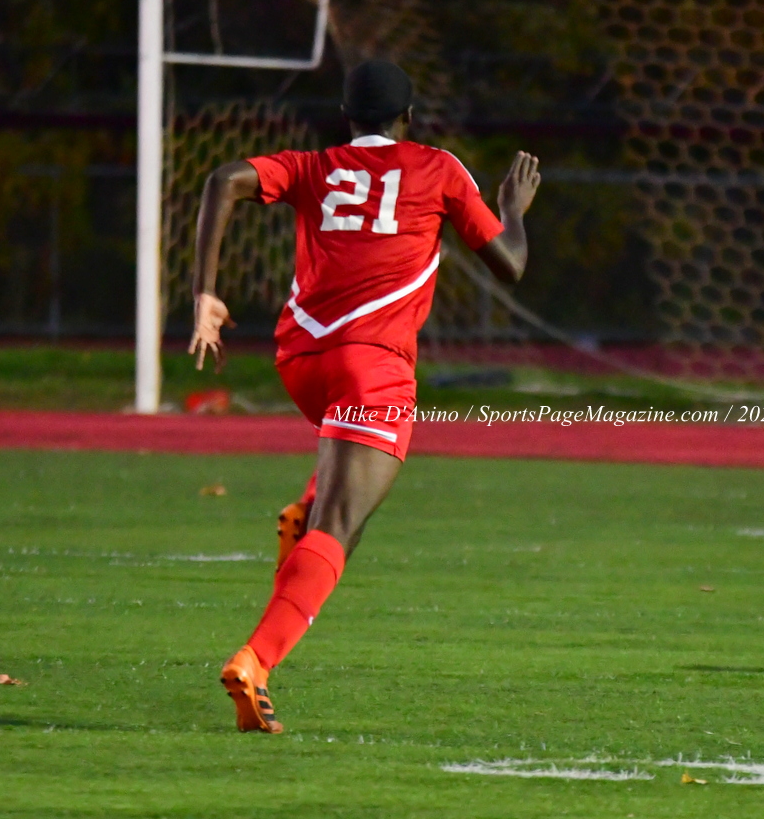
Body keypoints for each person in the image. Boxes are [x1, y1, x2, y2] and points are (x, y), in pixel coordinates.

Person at [187, 59, 541, 733]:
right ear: (409, 117)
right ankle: (256, 660)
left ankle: (309, 503)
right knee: (340, 527)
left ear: (346, 117)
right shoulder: (437, 167)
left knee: (335, 493)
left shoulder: (314, 166)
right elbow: (511, 264)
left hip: (302, 362)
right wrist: (513, 212)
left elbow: (222, 179)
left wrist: (205, 294)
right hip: (371, 365)